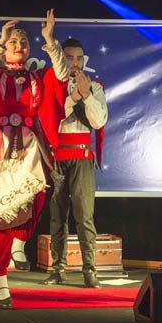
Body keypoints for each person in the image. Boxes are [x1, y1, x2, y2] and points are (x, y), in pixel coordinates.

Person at [0, 10, 68, 308]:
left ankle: (21, 243)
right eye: (13, 41)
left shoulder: (38, 77)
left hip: (31, 147)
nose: (19, 44)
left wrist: (50, 41)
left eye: (24, 40)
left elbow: (62, 76)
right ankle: (1, 281)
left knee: (36, 199)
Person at [42, 37, 107, 288]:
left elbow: (99, 121)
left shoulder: (96, 87)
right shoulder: (52, 86)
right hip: (57, 157)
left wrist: (86, 95)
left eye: (79, 58)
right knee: (58, 217)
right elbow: (51, 118)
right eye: (69, 58)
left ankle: (89, 270)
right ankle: (58, 269)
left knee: (84, 216)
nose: (75, 62)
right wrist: (72, 97)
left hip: (81, 158)